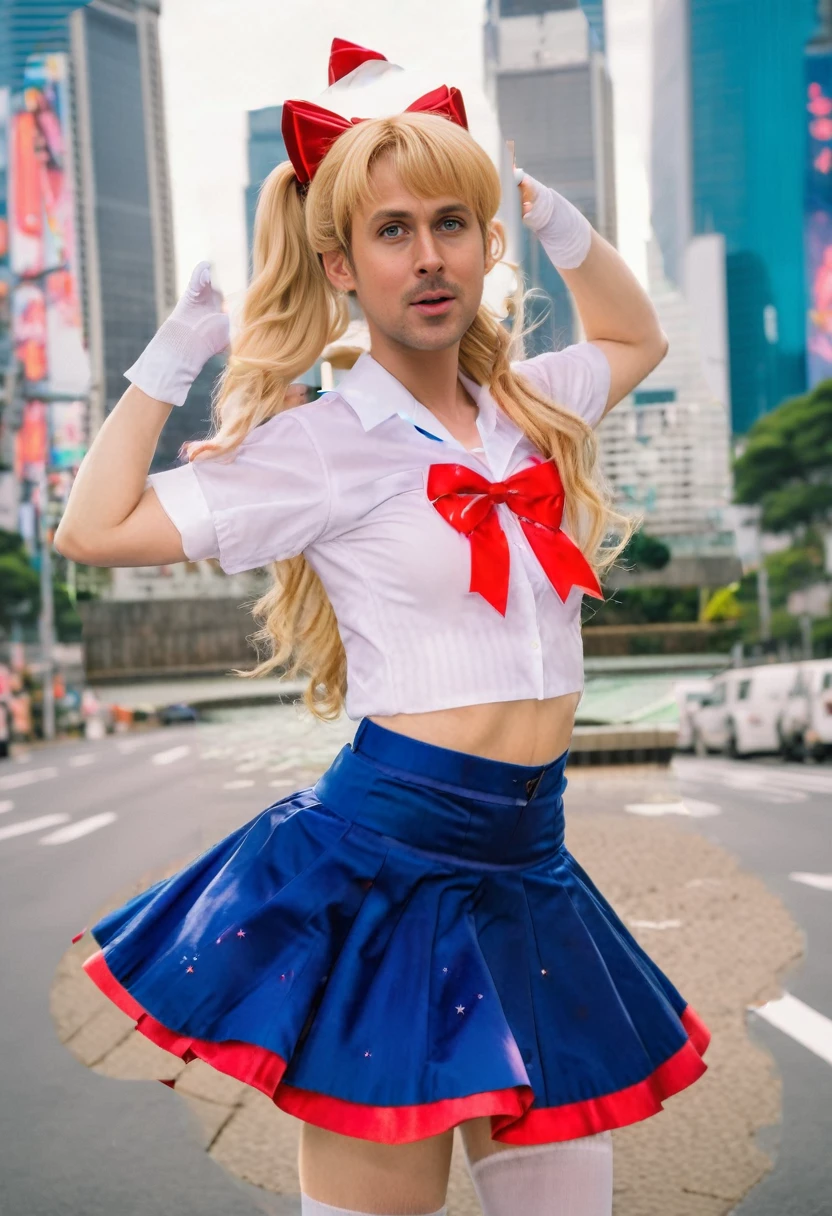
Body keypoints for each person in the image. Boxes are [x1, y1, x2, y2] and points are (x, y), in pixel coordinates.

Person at [55, 38, 709, 1216]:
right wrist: (168, 362)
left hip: (531, 864)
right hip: (386, 865)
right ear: (340, 265)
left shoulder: (531, 405)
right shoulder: (316, 446)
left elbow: (632, 336)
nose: (427, 256)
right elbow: (92, 531)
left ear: (484, 244)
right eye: (392, 231)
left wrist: (545, 206)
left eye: (452, 223)